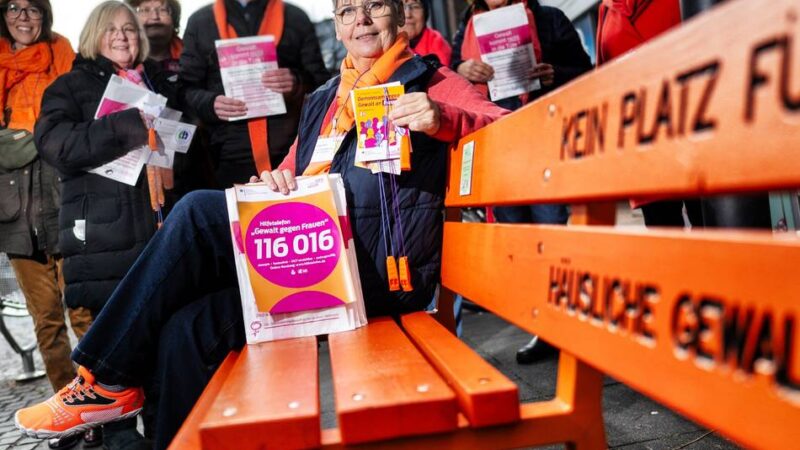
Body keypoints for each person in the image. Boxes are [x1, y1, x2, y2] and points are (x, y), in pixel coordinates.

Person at [14, 0, 509, 447]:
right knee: (183, 330)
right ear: (336, 27)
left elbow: (503, 130)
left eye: (375, 6)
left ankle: (104, 378)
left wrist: (442, 116)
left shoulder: (432, 80)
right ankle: (147, 420)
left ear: (400, 16)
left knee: (196, 214)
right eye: (348, 11)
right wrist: (271, 182)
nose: (360, 20)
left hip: (375, 276)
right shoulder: (325, 99)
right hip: (306, 261)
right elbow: (292, 171)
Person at [451, 0, 592, 364]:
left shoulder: (549, 19)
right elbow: (448, 86)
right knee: (520, 243)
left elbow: (585, 72)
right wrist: (461, 69)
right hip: (500, 153)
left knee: (553, 236)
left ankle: (572, 326)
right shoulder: (463, 31)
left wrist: (554, 74)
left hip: (543, 145)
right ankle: (544, 328)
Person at [0, 1, 97, 448]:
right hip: (14, 212)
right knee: (46, 321)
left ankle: (97, 402)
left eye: (33, 8)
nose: (23, 16)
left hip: (64, 200)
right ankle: (65, 409)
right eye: (14, 8)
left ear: (45, 15)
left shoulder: (66, 56)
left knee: (82, 311)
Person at [180, 0, 330, 188]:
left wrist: (297, 83)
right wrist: (210, 103)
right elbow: (185, 90)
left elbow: (323, 85)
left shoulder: (295, 17)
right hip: (228, 156)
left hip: (290, 154)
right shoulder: (201, 21)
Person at [125, 0, 182, 72]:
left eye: (162, 10)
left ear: (174, 19)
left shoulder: (194, 56)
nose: (154, 17)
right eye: (146, 10)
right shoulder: (117, 59)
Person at [400, 0, 451, 66]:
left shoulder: (437, 43)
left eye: (415, 7)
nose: (407, 15)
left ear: (425, 14)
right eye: (401, 7)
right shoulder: (385, 43)